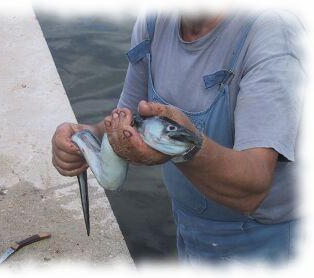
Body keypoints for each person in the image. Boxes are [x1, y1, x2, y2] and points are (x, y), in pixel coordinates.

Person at [52, 10, 304, 263]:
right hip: (189, 226)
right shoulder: (153, 23)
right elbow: (129, 119)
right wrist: (87, 138)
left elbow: (253, 186)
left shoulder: (271, 35)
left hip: (266, 241)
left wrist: (188, 150)